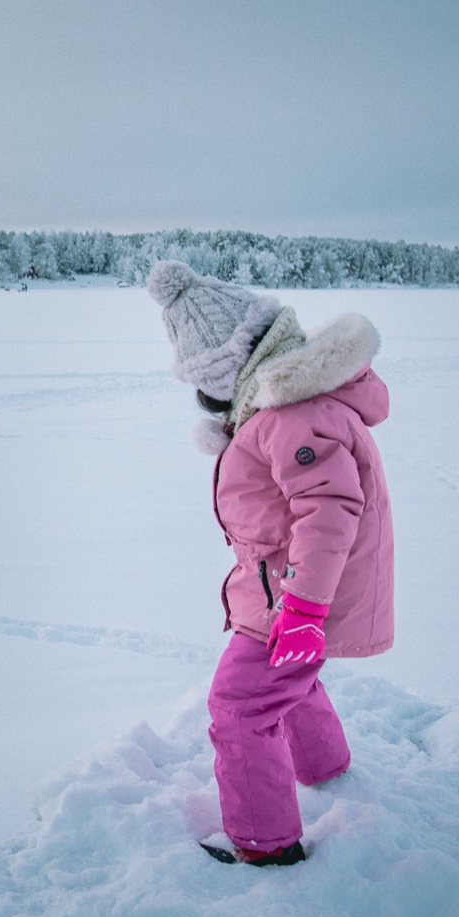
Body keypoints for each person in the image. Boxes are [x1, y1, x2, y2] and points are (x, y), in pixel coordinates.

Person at [146, 261, 395, 867]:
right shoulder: (281, 410)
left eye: (208, 383)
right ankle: (326, 769)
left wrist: (305, 610)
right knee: (291, 677)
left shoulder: (290, 415)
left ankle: (267, 843)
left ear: (233, 367)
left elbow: (330, 509)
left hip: (296, 592)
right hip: (284, 587)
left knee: (240, 706)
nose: (206, 399)